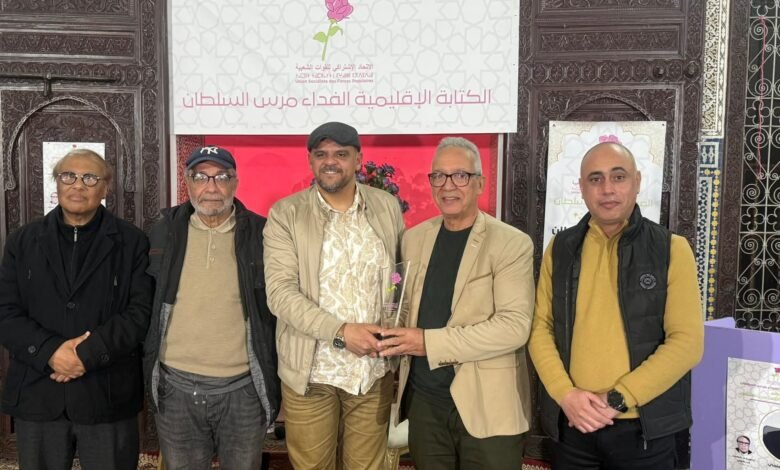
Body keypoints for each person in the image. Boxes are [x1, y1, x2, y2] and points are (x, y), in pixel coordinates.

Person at [528, 142, 704, 469]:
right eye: (595, 179)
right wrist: (565, 394)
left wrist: (618, 398)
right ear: (581, 188)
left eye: (618, 177)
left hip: (645, 430)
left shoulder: (671, 249)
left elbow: (687, 343)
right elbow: (541, 328)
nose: (607, 189)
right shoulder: (561, 248)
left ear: (637, 182)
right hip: (573, 424)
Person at [378, 137, 535, 469]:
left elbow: (513, 328)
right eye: (439, 176)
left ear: (480, 183)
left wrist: (428, 342)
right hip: (426, 405)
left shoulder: (511, 243)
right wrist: (384, 328)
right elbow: (402, 303)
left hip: (488, 406)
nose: (448, 186)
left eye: (460, 175)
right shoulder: (413, 238)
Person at [263, 122, 405, 469]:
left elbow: (398, 276)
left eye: (341, 154)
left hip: (372, 371)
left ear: (358, 159)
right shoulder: (286, 214)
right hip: (312, 374)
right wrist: (341, 332)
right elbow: (280, 293)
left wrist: (395, 324)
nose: (330, 161)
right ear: (310, 161)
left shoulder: (385, 206)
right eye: (321, 154)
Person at [0, 149, 153, 469]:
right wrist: (49, 352)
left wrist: (85, 355)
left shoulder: (132, 242)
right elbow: (6, 311)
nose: (78, 185)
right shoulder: (22, 241)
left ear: (105, 187)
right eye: (68, 176)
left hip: (107, 393)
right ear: (57, 183)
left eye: (90, 178)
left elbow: (139, 313)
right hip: (39, 390)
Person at [143, 145, 280, 470]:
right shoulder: (164, 230)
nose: (212, 187)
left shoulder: (262, 234)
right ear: (187, 182)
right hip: (176, 388)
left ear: (235, 182)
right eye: (201, 177)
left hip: (243, 389)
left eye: (221, 177)